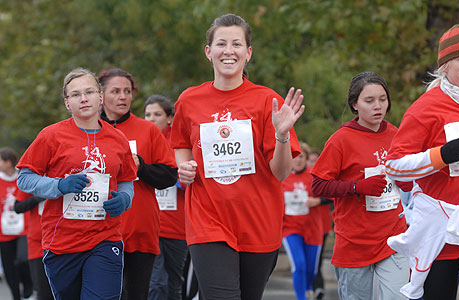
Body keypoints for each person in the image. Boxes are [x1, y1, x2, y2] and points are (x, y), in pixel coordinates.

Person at [171, 13, 304, 300]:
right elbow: (180, 143)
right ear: (209, 52)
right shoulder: (189, 100)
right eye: (221, 44)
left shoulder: (267, 101)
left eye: (236, 44)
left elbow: (280, 172)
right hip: (207, 221)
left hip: (258, 223)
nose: (228, 51)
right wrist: (184, 167)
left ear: (248, 53)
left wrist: (281, 135)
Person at [16, 67, 138, 299]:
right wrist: (59, 186)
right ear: (67, 103)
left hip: (105, 238)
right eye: (75, 94)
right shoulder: (51, 136)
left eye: (89, 92)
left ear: (100, 98)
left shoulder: (117, 139)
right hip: (62, 242)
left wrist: (125, 198)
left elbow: (126, 180)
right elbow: (24, 178)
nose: (83, 98)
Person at [385, 24, 459, 300]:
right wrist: (440, 156)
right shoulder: (427, 107)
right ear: (445, 67)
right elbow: (393, 166)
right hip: (439, 229)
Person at [311, 71, 410, 300]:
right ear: (355, 104)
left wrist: (406, 181)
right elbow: (318, 186)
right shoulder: (341, 139)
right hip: (354, 242)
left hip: (392, 237)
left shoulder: (397, 134)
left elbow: (406, 176)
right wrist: (357, 187)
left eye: (382, 99)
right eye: (369, 101)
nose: (378, 106)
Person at [98, 69, 178, 300]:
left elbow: (169, 176)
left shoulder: (148, 130)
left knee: (136, 294)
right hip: (98, 230)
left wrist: (140, 165)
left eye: (127, 91)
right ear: (101, 96)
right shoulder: (89, 130)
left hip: (139, 229)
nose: (123, 96)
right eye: (116, 91)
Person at [144, 95, 188, 300]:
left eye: (157, 114)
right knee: (156, 281)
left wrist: (177, 178)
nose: (151, 118)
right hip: (150, 223)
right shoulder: (142, 142)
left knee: (174, 281)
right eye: (147, 114)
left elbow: (191, 180)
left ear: (170, 118)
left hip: (178, 225)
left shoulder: (180, 142)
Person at [281, 142, 324, 300]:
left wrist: (317, 201)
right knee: (298, 265)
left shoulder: (315, 175)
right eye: (294, 157)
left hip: (313, 228)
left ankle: (307, 289)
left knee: (311, 269)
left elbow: (332, 196)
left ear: (306, 158)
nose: (297, 160)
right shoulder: (282, 176)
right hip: (290, 229)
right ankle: (301, 297)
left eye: (301, 157)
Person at [0, 147, 33, 300]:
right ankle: (16, 297)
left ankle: (28, 287)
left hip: (23, 228)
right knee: (9, 268)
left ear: (8, 162)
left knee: (22, 259)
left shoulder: (22, 178)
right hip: (3, 231)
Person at [14, 189, 54, 300]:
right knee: (43, 292)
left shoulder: (67, 175)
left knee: (63, 290)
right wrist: (37, 198)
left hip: (63, 241)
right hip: (38, 243)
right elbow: (17, 207)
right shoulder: (34, 175)